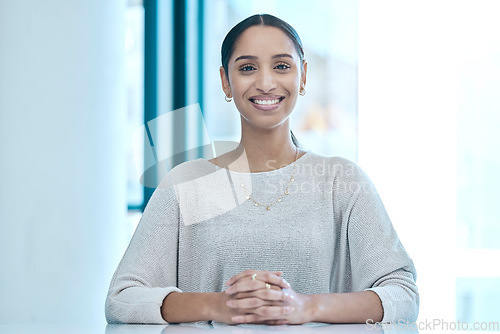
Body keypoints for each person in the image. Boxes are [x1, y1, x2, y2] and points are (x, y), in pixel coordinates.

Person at [105, 14, 419, 326]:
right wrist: (217, 305)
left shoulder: (341, 181)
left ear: (303, 76)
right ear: (226, 81)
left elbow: (402, 294)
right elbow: (122, 299)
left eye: (282, 66)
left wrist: (304, 307)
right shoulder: (187, 183)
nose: (266, 83)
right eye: (247, 68)